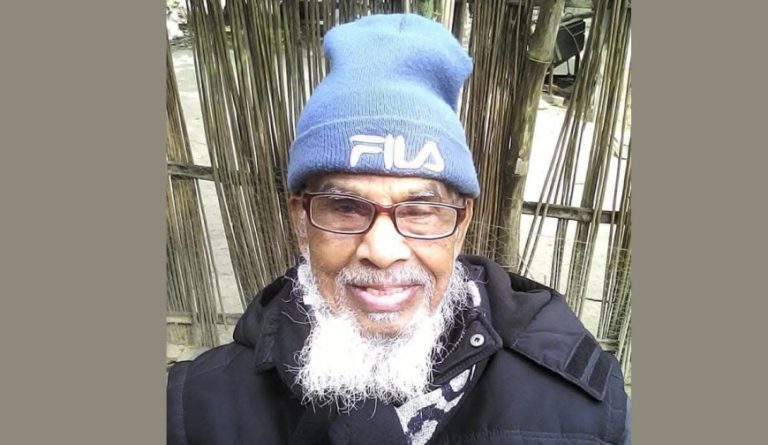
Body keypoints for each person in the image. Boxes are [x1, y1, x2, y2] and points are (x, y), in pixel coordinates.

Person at [167, 13, 631, 445]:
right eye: (345, 207)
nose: (383, 250)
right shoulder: (194, 412)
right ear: (300, 221)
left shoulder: (580, 412)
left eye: (420, 210)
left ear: (461, 224)